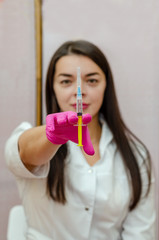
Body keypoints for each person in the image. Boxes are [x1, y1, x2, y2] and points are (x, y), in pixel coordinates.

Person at [5, 40, 156, 240]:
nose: (80, 90)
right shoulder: (35, 138)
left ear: (106, 87)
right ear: (53, 88)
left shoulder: (136, 156)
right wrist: (52, 137)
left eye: (92, 80)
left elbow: (140, 234)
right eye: (66, 81)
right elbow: (21, 151)